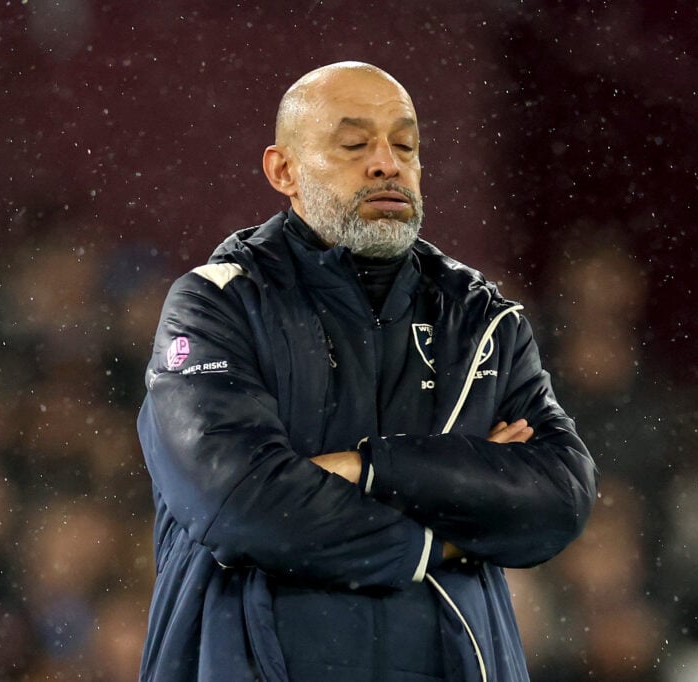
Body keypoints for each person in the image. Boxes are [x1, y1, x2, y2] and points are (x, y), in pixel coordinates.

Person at [136, 61, 598, 682]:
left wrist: (367, 468)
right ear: (283, 171)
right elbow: (241, 503)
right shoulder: (217, 304)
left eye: (405, 146)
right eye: (354, 145)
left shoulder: (482, 318)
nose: (387, 164)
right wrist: (446, 535)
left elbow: (559, 498)